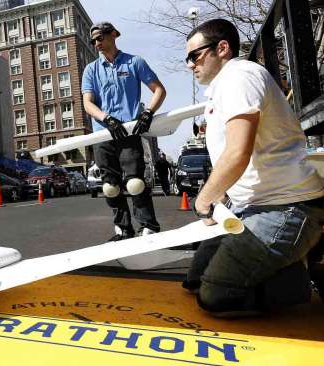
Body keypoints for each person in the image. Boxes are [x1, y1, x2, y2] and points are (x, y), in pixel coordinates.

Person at [184, 19, 324, 317]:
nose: (190, 65)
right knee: (194, 280)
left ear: (222, 48)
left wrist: (204, 199)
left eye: (194, 56)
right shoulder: (224, 87)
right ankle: (284, 262)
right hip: (253, 207)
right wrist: (223, 196)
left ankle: (300, 280)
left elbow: (238, 152)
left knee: (215, 296)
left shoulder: (239, 77)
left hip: (286, 208)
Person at [82, 22, 167, 240]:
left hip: (128, 131)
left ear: (114, 35)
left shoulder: (134, 62)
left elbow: (159, 90)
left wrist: (147, 113)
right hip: (102, 133)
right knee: (110, 186)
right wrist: (106, 118)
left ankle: (148, 226)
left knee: (135, 183)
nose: (96, 43)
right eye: (93, 41)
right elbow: (88, 103)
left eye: (100, 38)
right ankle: (122, 228)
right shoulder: (91, 69)